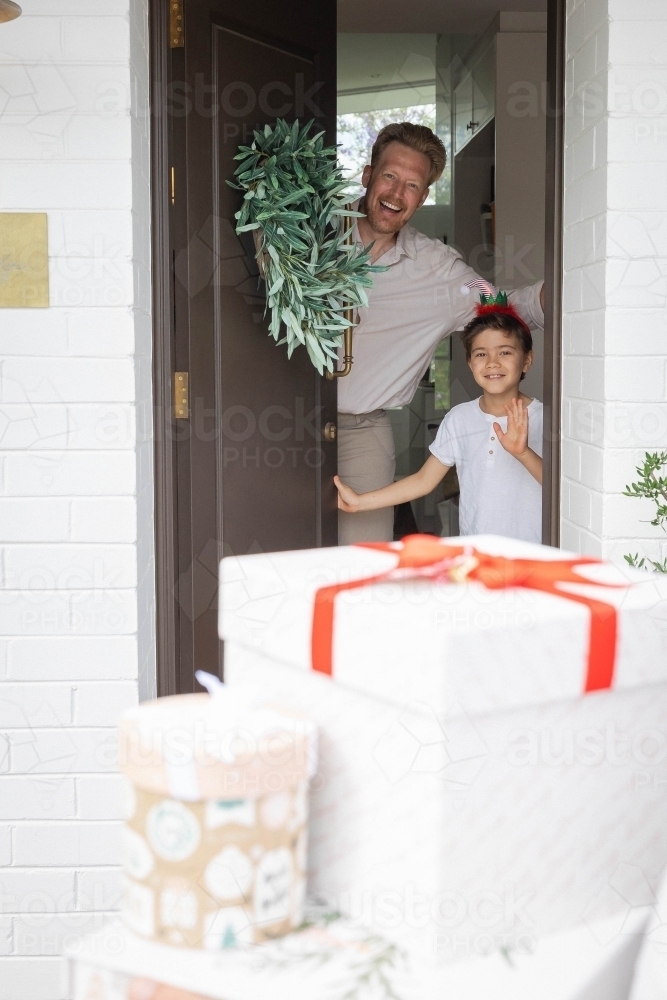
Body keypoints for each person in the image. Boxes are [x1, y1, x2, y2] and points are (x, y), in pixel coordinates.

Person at [337, 121, 545, 544]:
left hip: (361, 433)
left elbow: (500, 306)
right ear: (367, 176)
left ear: (423, 198)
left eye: (412, 185)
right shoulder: (307, 232)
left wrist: (562, 290)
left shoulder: (444, 271)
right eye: (389, 176)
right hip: (284, 421)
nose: (396, 194)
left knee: (362, 557)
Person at [335, 297, 543, 544]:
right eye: (481, 354)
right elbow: (424, 481)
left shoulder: (546, 418)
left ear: (527, 360)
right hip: (475, 554)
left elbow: (563, 488)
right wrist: (360, 502)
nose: (492, 363)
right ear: (470, 363)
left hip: (533, 553)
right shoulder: (460, 419)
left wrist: (522, 452)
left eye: (505, 352)